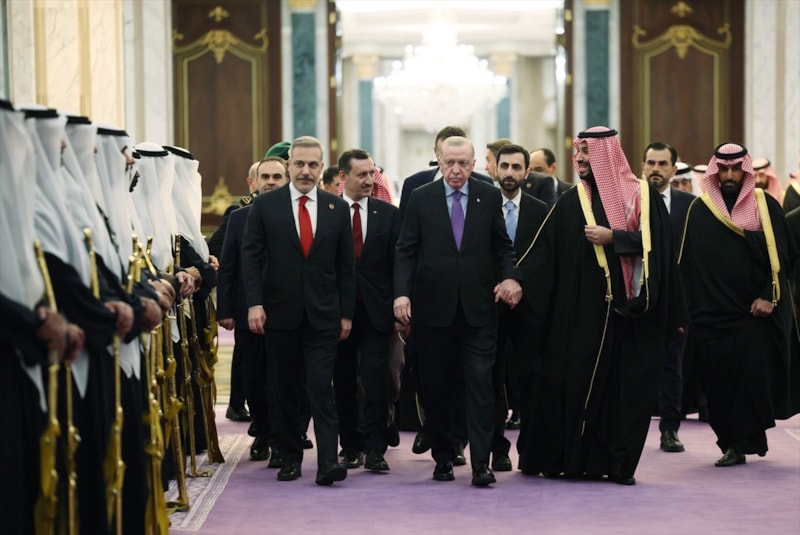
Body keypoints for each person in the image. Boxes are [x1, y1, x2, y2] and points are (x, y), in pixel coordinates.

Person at [518, 126, 674, 485]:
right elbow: (543, 253)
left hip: (628, 314)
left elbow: (659, 246)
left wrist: (614, 237)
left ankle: (617, 464)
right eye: (578, 152)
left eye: (588, 152)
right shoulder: (572, 200)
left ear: (607, 155)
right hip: (578, 315)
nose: (580, 159)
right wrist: (515, 280)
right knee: (569, 383)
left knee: (622, 391)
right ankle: (569, 460)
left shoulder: (641, 196)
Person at [394, 135, 522, 487]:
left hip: (479, 311)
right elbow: (406, 250)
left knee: (480, 385)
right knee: (436, 387)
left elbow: (502, 246)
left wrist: (511, 277)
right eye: (449, 162)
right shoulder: (421, 198)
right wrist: (401, 294)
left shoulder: (488, 195)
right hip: (432, 311)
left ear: (474, 164)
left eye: (463, 163)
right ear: (438, 161)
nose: (455, 170)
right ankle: (444, 456)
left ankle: (481, 463)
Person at [241, 135, 355, 486]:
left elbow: (346, 266)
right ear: (289, 165)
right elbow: (252, 258)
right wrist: (254, 303)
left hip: (324, 315)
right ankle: (289, 457)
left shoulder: (337, 208)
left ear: (322, 168)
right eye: (300, 164)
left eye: (313, 164)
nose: (306, 171)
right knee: (285, 389)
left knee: (321, 388)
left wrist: (346, 313)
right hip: (279, 314)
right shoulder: (266, 206)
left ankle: (327, 463)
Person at [678, 142, 798, 467]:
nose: (729, 175)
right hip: (708, 318)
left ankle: (742, 443)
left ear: (745, 171)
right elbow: (685, 265)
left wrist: (769, 296)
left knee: (748, 384)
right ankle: (730, 441)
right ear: (715, 171)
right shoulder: (699, 210)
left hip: (751, 315)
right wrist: (681, 313)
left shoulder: (764, 206)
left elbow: (782, 256)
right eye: (724, 169)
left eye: (735, 169)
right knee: (716, 385)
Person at [334, 149, 401, 473]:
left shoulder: (388, 214)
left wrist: (399, 303)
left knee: (376, 381)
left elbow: (398, 263)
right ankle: (351, 446)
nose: (368, 180)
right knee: (344, 380)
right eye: (361, 174)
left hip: (378, 311)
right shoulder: (329, 212)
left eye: (371, 174)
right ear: (343, 177)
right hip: (338, 313)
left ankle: (375, 449)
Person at [218, 157, 288, 463]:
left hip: (288, 311)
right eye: (265, 177)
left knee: (284, 379)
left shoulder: (297, 215)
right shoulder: (239, 218)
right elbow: (228, 266)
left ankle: (282, 439)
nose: (271, 182)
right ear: (255, 182)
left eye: (277, 177)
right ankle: (262, 430)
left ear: (286, 181)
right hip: (248, 312)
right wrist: (225, 309)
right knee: (254, 380)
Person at [490, 144, 549, 472]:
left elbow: (543, 257)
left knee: (531, 379)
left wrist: (517, 281)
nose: (509, 173)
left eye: (516, 167)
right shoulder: (482, 205)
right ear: (495, 169)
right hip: (490, 304)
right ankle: (497, 450)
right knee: (491, 378)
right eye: (505, 166)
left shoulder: (541, 210)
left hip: (528, 307)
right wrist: (501, 283)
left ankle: (530, 451)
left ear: (527, 173)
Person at [642, 141, 693, 453]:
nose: (656, 169)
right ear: (643, 166)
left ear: (674, 169)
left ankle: (670, 429)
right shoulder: (629, 201)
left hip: (676, 300)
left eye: (662, 164)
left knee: (672, 366)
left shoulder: (690, 206)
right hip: (637, 299)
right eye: (651, 163)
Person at [207, 160, 262, 259]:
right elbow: (216, 247)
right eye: (263, 177)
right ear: (251, 181)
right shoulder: (238, 210)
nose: (270, 182)